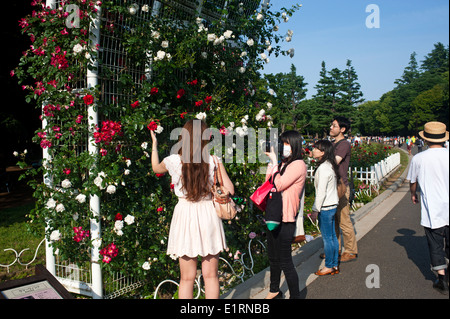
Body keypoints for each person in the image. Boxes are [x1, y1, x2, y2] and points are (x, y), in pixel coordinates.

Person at [150, 119, 234, 299]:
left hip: (185, 215)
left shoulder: (173, 161)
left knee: (186, 278)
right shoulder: (213, 160)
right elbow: (230, 190)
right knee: (211, 276)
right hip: (208, 215)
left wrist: (154, 145)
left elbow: (156, 168)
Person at [407, 121, 449, 295]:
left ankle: (441, 278)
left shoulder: (419, 158)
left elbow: (412, 181)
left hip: (432, 207)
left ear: (425, 138)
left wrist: (413, 194)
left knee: (435, 243)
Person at [264, 130, 307, 299]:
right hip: (273, 215)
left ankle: (295, 296)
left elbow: (279, 184)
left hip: (287, 218)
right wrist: (273, 162)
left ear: (294, 145)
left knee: (285, 261)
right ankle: (274, 290)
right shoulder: (282, 164)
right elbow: (268, 181)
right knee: (273, 259)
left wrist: (275, 162)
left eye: (286, 143)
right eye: (282, 143)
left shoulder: (298, 165)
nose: (283, 147)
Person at [329, 116, 358, 262]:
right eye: (331, 125)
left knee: (343, 219)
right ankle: (336, 250)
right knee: (333, 220)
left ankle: (351, 250)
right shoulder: (333, 143)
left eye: (334, 126)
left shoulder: (344, 144)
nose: (331, 128)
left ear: (342, 129)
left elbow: (335, 161)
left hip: (341, 186)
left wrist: (321, 156)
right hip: (332, 185)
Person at [311, 140, 340, 276]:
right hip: (332, 205)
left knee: (328, 238)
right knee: (332, 237)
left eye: (316, 148)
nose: (313, 150)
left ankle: (329, 265)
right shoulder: (329, 165)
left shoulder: (323, 169)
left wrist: (315, 210)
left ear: (323, 152)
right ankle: (334, 264)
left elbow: (321, 192)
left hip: (326, 207)